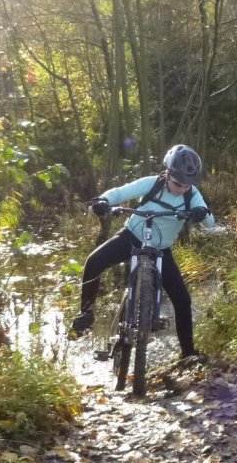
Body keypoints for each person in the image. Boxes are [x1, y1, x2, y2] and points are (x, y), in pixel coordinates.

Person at [71, 144, 214, 359]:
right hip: (132, 237)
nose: (182, 188)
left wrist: (201, 214)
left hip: (161, 251)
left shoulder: (192, 195)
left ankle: (188, 353)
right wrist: (103, 200)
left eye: (187, 185)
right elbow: (121, 192)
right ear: (168, 173)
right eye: (178, 183)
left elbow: (210, 223)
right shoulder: (152, 184)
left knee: (183, 301)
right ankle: (86, 313)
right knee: (94, 261)